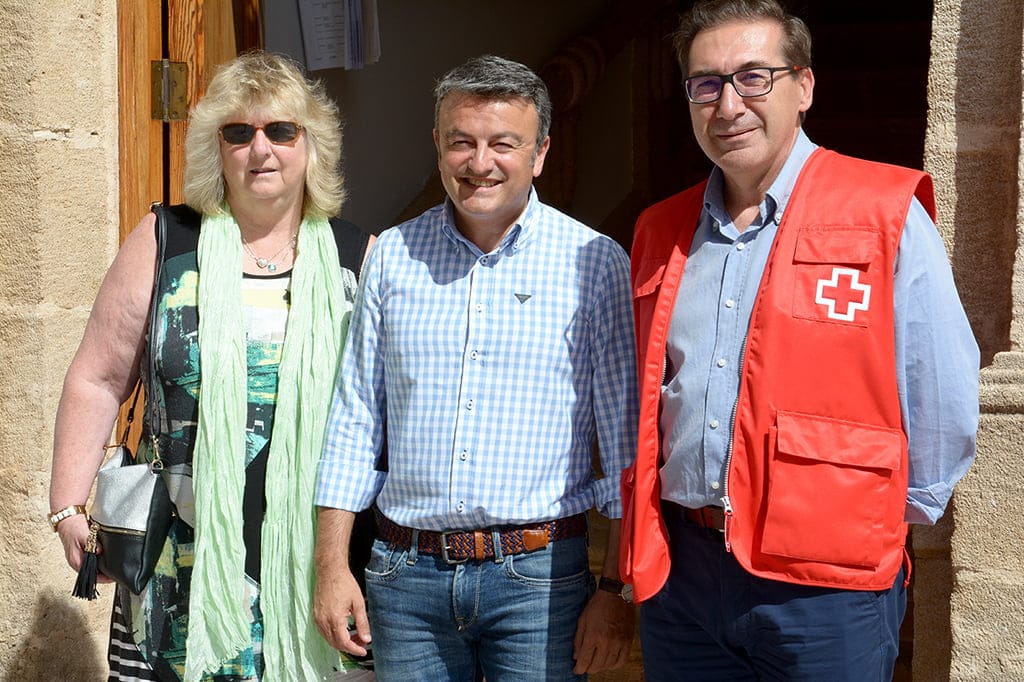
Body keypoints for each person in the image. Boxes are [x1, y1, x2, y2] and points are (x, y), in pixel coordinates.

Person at [619, 1, 980, 679]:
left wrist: (873, 517)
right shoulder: (658, 230)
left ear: (804, 87)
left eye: (754, 78)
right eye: (707, 83)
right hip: (684, 575)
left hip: (827, 584)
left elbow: (942, 389)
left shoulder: (882, 210)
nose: (729, 105)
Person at [48, 51, 374, 680]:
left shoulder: (359, 256)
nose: (262, 149)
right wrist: (68, 506)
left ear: (312, 145)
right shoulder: (165, 240)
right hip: (178, 550)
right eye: (238, 132)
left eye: (282, 130)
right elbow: (98, 376)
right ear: (215, 147)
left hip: (317, 557)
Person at [312, 54, 638, 680]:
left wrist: (616, 589)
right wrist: (332, 567)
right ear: (437, 145)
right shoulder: (392, 258)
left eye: (503, 144)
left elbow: (625, 445)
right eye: (461, 141)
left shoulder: (594, 263)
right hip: (404, 580)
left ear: (540, 151)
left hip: (540, 580)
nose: (479, 162)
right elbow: (354, 422)